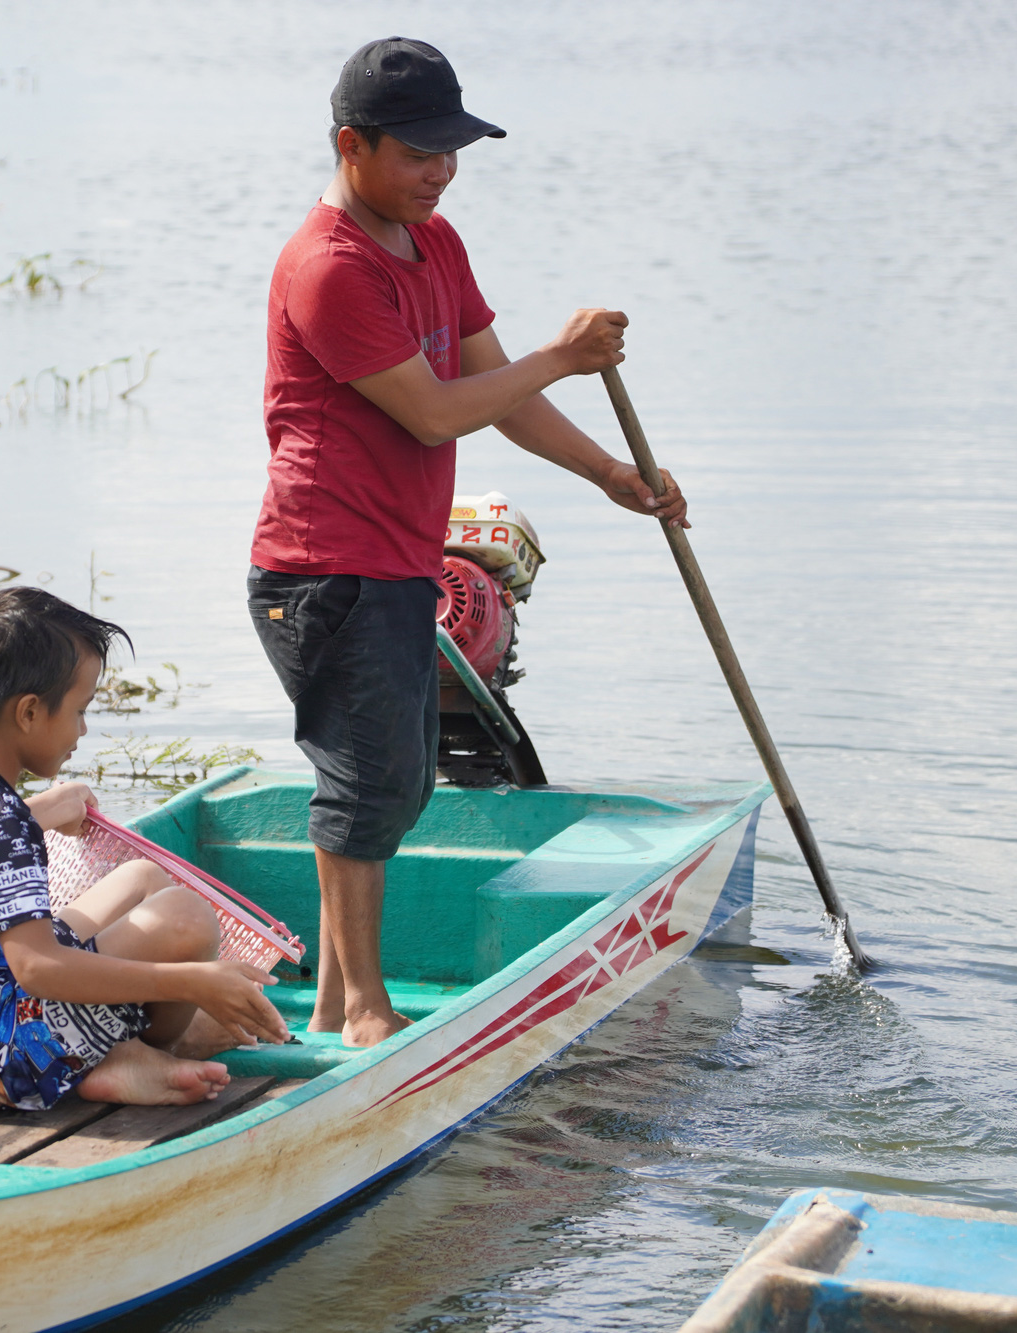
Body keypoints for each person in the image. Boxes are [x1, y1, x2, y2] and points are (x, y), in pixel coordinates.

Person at [247, 38, 692, 1048]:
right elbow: (436, 413)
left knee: (398, 780)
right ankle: (358, 1005)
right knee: (367, 782)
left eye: (451, 150)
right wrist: (561, 356)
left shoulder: (433, 245)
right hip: (322, 567)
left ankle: (332, 998)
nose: (439, 171)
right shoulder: (327, 267)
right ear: (349, 146)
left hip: (393, 561)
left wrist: (610, 475)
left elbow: (498, 397)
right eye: (417, 153)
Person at [0, 586, 289, 1110]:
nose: (83, 729)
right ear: (28, 713)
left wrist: (45, 807)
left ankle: (124, 1047)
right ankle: (137, 1052)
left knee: (142, 878)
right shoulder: (3, 824)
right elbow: (39, 969)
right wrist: (194, 982)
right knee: (186, 920)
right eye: (80, 710)